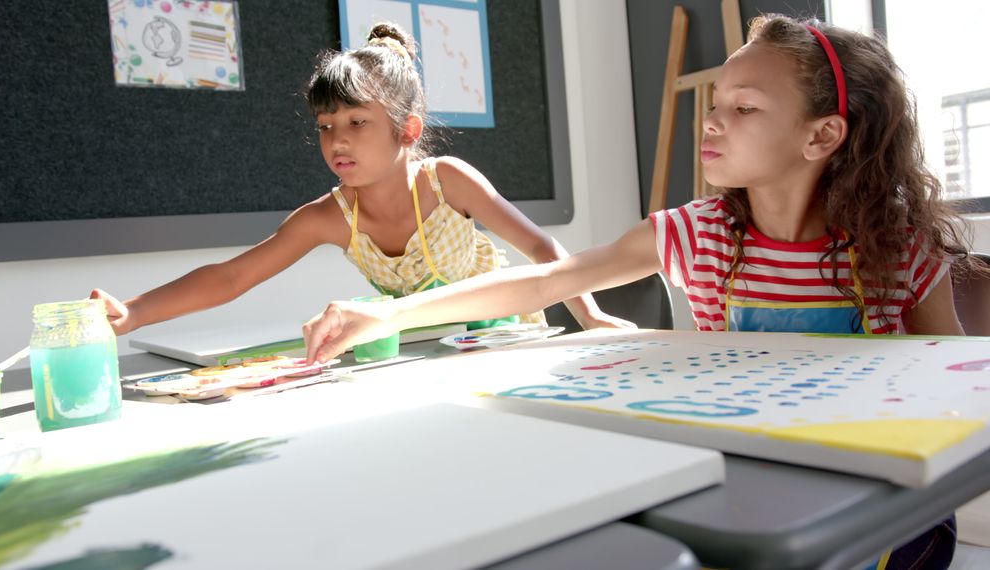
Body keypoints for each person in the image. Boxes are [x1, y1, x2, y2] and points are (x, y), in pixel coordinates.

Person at [303, 15, 985, 569]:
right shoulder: (699, 235)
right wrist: (386, 311)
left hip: (891, 516)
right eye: (715, 104)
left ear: (823, 135)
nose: (712, 121)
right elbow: (544, 279)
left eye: (744, 108)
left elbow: (954, 391)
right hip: (766, 480)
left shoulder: (895, 250)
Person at [89, 22, 630, 337]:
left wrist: (591, 316)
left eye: (356, 123)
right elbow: (232, 278)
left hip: (506, 340)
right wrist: (133, 313)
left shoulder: (448, 182)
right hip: (427, 351)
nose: (337, 140)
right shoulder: (329, 217)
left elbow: (540, 246)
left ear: (406, 129)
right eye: (325, 126)